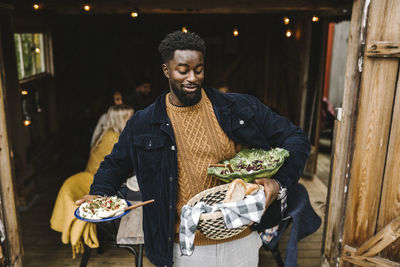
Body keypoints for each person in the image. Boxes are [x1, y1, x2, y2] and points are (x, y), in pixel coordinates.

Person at [77, 31, 310, 267]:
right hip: (182, 249)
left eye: (198, 70)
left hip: (241, 241)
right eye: (183, 70)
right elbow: (113, 166)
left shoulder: (240, 107)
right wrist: (99, 195)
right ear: (166, 71)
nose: (192, 78)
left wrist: (279, 182)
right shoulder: (143, 123)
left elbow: (296, 138)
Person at [51, 104, 134, 258]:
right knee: (135, 196)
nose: (133, 119)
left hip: (95, 179)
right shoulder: (113, 138)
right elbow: (122, 166)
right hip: (97, 183)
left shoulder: (108, 133)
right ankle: (136, 234)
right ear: (120, 120)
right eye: (130, 117)